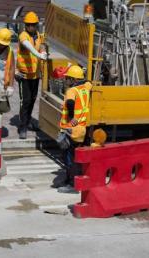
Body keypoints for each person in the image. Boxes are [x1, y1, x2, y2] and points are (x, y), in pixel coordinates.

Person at [57, 65, 92, 194]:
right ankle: (68, 179)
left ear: (72, 79)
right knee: (73, 155)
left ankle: (72, 185)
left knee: (69, 157)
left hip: (71, 129)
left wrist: (71, 118)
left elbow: (71, 103)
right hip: (81, 129)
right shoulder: (85, 88)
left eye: (67, 78)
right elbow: (89, 82)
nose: (66, 81)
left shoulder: (71, 91)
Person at [16, 11, 48, 139]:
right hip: (24, 75)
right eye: (28, 25)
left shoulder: (38, 35)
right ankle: (22, 127)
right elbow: (28, 47)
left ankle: (28, 122)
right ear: (25, 25)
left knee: (32, 100)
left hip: (35, 75)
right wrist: (39, 55)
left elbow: (41, 45)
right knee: (25, 101)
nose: (31, 27)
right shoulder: (23, 36)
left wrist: (43, 51)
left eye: (33, 25)